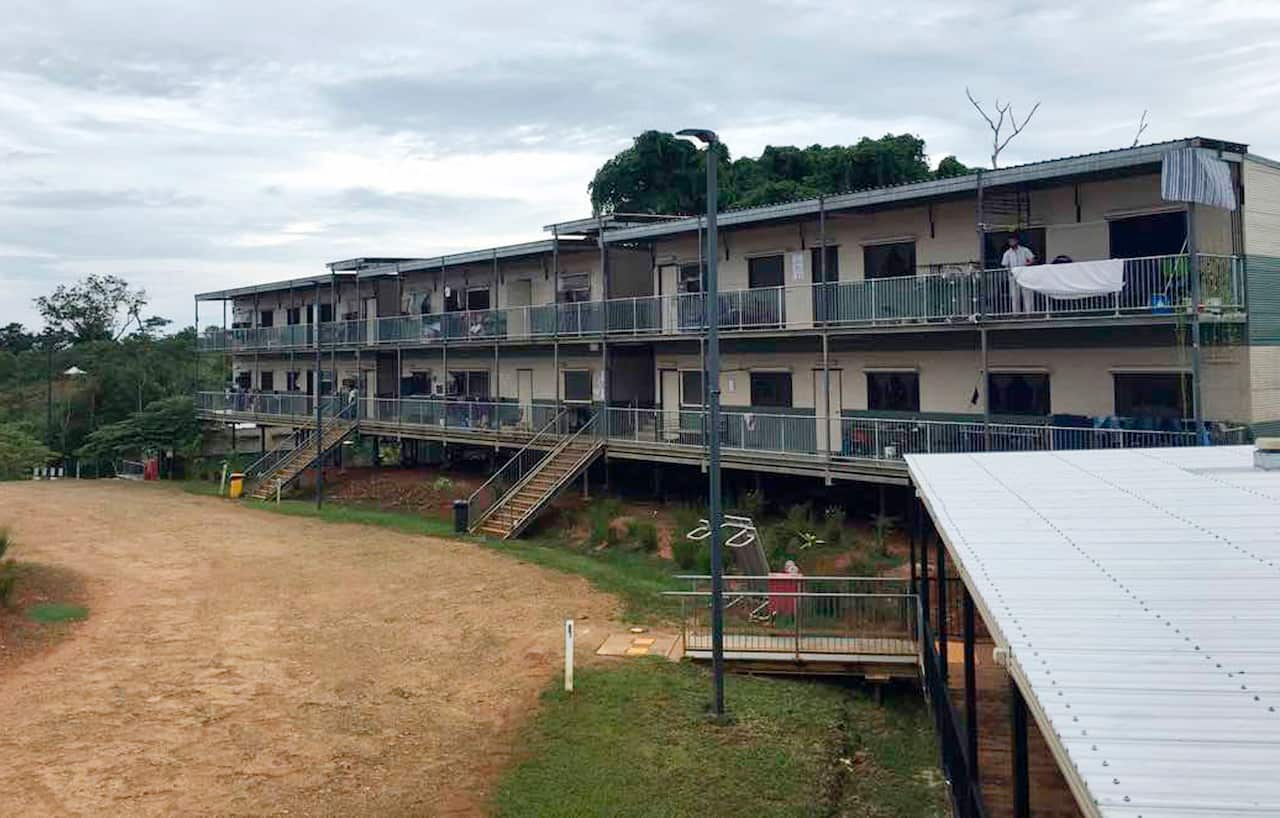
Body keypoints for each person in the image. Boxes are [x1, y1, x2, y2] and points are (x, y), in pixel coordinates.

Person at [1001, 235, 1037, 314]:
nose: (1011, 243)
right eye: (1010, 241)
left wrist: (1026, 265)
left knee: (1027, 294)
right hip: (1014, 276)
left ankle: (1029, 313)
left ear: (1017, 241)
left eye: (1013, 241)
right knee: (1014, 295)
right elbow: (1005, 264)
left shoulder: (1024, 250)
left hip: (1024, 275)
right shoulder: (1007, 253)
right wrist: (1010, 270)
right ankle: (1016, 313)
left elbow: (1032, 259)